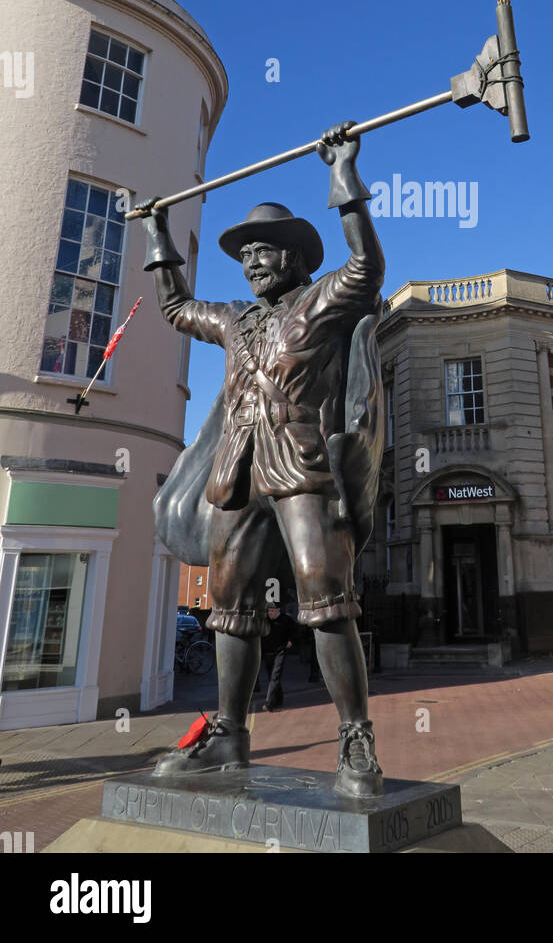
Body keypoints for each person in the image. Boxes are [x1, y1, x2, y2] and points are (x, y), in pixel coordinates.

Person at [138, 121, 385, 797]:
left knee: (326, 596)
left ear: (296, 257)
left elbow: (366, 267)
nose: (252, 261)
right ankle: (228, 736)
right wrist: (157, 233)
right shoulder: (235, 320)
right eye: (245, 253)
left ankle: (355, 741)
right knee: (228, 606)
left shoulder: (321, 302)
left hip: (300, 462)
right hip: (237, 469)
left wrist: (342, 174)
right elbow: (177, 307)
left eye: (265, 250)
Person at [259, 606, 296, 711]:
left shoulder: (286, 619)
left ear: (278, 610)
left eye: (272, 611)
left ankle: (269, 703)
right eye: (269, 611)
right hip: (267, 652)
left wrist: (291, 641)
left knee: (275, 676)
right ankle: (279, 699)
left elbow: (294, 631)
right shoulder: (265, 620)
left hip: (280, 651)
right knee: (272, 677)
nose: (270, 613)